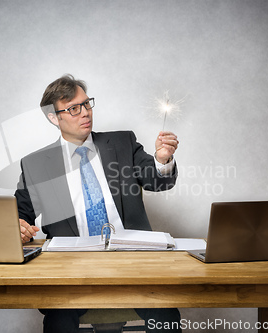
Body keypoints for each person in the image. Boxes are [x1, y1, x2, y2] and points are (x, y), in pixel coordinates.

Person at [15, 74, 181, 332]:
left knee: (167, 315)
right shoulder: (37, 165)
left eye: (87, 104)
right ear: (53, 117)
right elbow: (19, 215)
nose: (85, 113)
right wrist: (17, 226)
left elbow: (158, 182)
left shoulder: (123, 143)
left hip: (133, 264)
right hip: (71, 271)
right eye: (73, 108)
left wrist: (162, 159)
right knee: (58, 323)